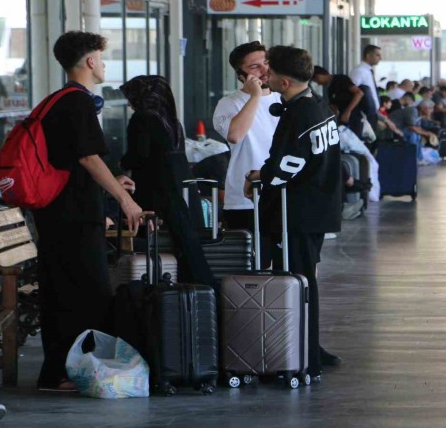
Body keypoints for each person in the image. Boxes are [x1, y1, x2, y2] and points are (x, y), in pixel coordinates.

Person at [34, 31, 144, 391]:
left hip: (61, 213)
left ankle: (60, 371)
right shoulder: (78, 102)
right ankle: (64, 372)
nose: (104, 64)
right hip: (71, 217)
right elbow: (87, 157)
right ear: (91, 61)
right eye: (102, 56)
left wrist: (113, 182)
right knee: (85, 292)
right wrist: (124, 199)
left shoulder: (60, 99)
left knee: (70, 290)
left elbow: (79, 159)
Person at [243, 45, 343, 379]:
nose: (264, 76)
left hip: (297, 214)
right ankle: (307, 350)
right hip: (317, 209)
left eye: (268, 72)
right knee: (305, 279)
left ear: (284, 82)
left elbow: (289, 165)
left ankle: (303, 360)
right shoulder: (318, 107)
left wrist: (264, 177)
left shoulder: (300, 116)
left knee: (298, 282)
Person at [119, 75, 214, 286]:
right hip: (181, 183)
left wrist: (120, 162)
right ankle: (201, 290)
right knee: (186, 244)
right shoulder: (171, 120)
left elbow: (138, 155)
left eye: (131, 96)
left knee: (153, 242)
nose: (129, 102)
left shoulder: (142, 118)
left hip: (156, 186)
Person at [212, 41, 280, 266]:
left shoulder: (285, 100)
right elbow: (235, 134)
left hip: (283, 195)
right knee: (252, 266)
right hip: (245, 200)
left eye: (266, 63)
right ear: (240, 75)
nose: (264, 70)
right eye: (254, 67)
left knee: (287, 263)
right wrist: (255, 97)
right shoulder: (229, 103)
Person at [312, 65, 364, 137]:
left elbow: (359, 93)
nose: (318, 84)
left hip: (354, 117)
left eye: (316, 81)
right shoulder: (330, 88)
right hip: (343, 120)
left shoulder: (341, 79)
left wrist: (347, 111)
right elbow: (334, 106)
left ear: (318, 76)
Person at [350, 44, 382, 129]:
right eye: (377, 55)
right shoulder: (359, 71)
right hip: (364, 114)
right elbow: (353, 91)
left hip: (373, 113)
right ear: (368, 55)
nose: (380, 58)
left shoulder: (368, 71)